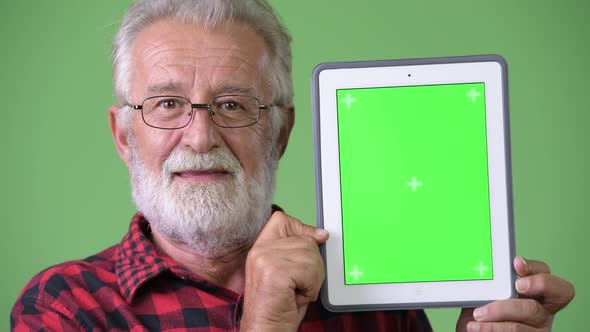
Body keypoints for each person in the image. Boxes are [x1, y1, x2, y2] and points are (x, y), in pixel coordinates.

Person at [11, 0, 574, 331]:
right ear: (124, 135)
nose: (201, 135)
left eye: (233, 104)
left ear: (280, 132)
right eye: (166, 105)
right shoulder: (64, 306)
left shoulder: (376, 303)